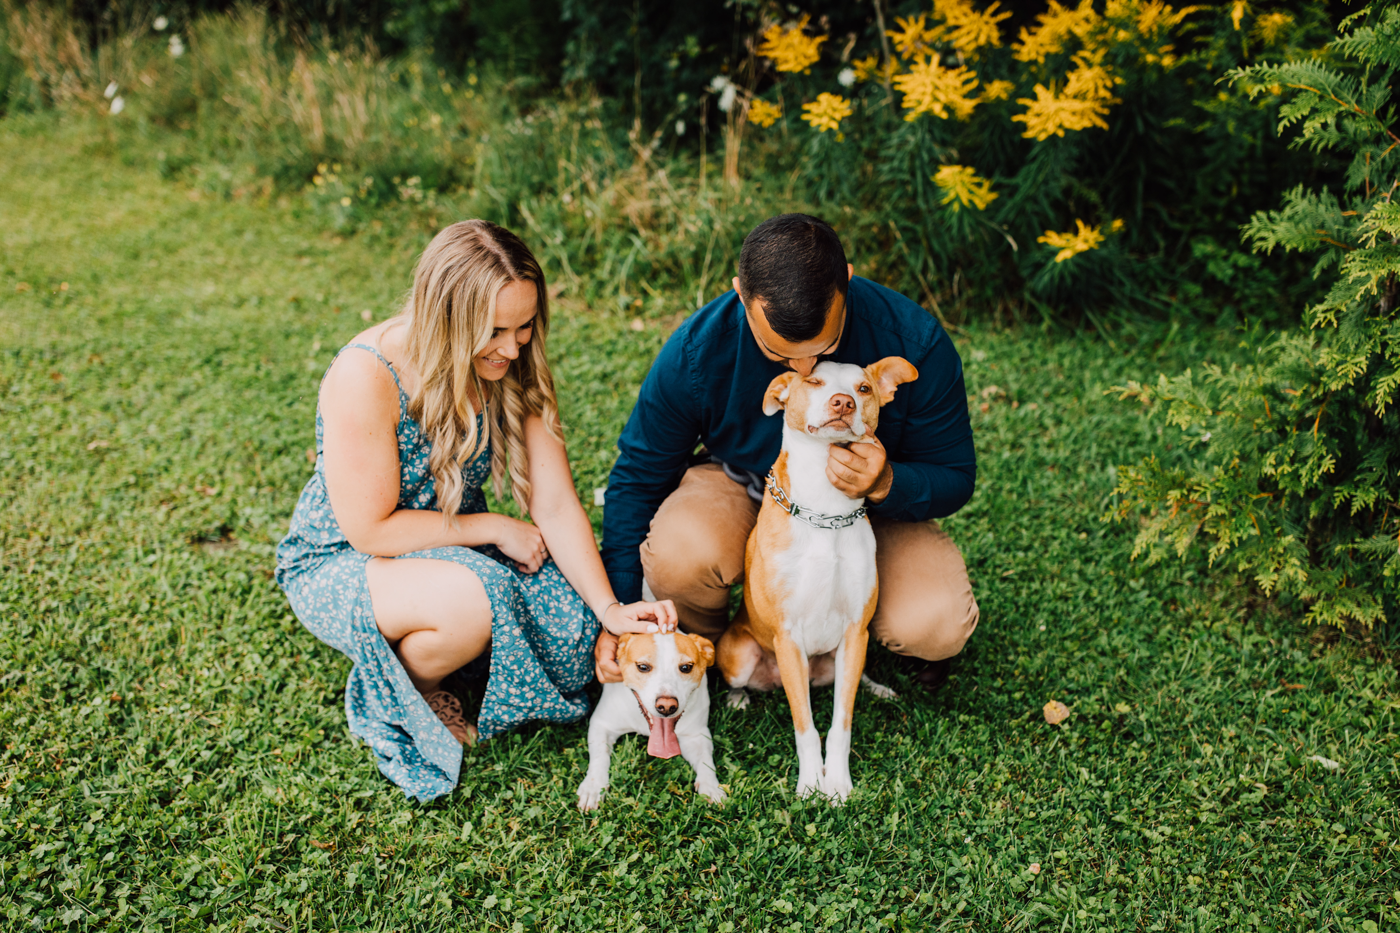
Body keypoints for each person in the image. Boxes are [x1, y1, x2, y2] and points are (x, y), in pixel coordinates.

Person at [275, 220, 677, 802]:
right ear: (446, 318)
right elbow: (368, 528)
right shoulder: (366, 374)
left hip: (451, 547)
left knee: (574, 632)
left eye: (524, 326)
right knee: (474, 600)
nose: (512, 347)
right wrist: (490, 526)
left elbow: (557, 501)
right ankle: (409, 684)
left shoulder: (511, 362)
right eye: (494, 331)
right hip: (345, 559)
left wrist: (609, 608)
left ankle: (453, 647)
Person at [598, 213, 977, 687]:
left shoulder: (914, 340)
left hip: (867, 513)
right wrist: (619, 609)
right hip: (745, 484)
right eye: (780, 354)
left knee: (936, 623)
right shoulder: (699, 349)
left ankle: (841, 637)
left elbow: (956, 474)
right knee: (681, 554)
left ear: (848, 284)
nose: (804, 368)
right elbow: (637, 477)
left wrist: (887, 482)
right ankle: (718, 643)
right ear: (741, 293)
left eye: (826, 345)